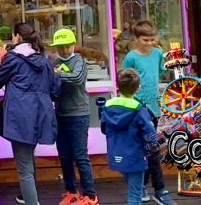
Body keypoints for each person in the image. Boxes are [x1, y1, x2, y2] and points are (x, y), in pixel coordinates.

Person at [0, 22, 59, 205]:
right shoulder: (43, 60)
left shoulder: (13, 59)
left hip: (21, 116)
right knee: (29, 160)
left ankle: (32, 201)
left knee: (24, 169)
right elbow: (55, 90)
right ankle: (28, 197)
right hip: (42, 114)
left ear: (17, 37)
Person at [121, 21, 175, 205]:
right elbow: (124, 80)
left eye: (152, 39)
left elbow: (159, 72)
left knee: (151, 149)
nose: (149, 43)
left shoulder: (158, 54)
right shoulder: (131, 57)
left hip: (154, 108)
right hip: (137, 108)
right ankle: (152, 187)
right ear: (136, 39)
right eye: (145, 40)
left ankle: (148, 186)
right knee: (145, 150)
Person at [51, 28, 97, 205]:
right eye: (60, 47)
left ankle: (91, 196)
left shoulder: (79, 61)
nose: (64, 50)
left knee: (80, 156)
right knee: (64, 156)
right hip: (60, 114)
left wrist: (57, 74)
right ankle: (72, 192)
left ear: (74, 45)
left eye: (67, 46)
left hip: (78, 114)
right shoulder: (54, 63)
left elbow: (76, 79)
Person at [101, 69, 158, 205]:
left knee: (134, 186)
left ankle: (141, 189)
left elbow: (104, 128)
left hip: (116, 155)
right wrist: (153, 150)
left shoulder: (108, 106)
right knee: (135, 197)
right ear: (138, 88)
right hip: (135, 157)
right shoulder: (139, 110)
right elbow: (149, 133)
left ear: (118, 85)